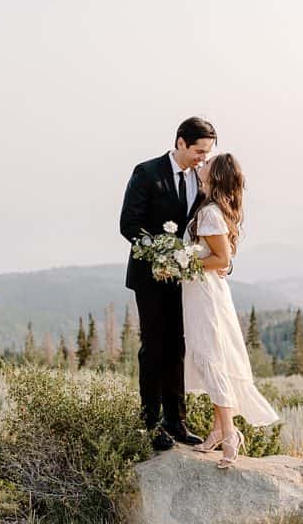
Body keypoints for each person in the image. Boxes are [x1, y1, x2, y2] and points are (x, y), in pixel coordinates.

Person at [119, 116, 222, 451]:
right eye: (198, 151)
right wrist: (162, 254)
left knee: (177, 346)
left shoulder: (202, 178)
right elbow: (128, 224)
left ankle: (176, 421)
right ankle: (149, 424)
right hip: (150, 276)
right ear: (180, 142)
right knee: (153, 347)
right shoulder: (146, 173)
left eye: (207, 153)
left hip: (185, 279)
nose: (202, 158)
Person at [182, 153, 279, 468]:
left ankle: (230, 433)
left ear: (216, 175)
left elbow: (221, 261)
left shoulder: (210, 212)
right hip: (201, 292)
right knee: (210, 356)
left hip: (205, 294)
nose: (202, 164)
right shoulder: (207, 207)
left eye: (207, 163)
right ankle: (216, 430)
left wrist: (182, 262)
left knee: (211, 358)